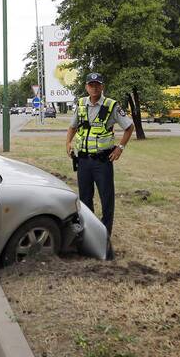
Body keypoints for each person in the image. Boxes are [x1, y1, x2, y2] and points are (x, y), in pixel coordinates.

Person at [65, 72, 134, 259]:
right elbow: (72, 127)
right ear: (86, 87)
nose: (94, 87)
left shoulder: (111, 105)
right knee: (85, 200)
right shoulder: (80, 104)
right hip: (84, 161)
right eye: (91, 84)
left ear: (102, 87)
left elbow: (129, 127)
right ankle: (88, 235)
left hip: (103, 162)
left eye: (97, 84)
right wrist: (68, 143)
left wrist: (120, 148)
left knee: (106, 200)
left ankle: (104, 237)